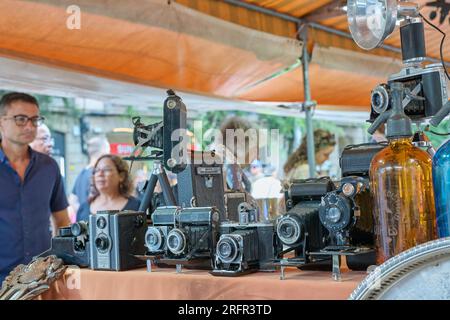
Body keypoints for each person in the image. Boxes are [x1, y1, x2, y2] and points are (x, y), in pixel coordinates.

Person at [0, 92, 70, 282]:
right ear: (1, 122)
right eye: (21, 119)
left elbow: (62, 221)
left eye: (35, 119)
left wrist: (60, 262)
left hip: (40, 278)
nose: (30, 126)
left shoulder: (49, 167)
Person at [76, 154, 140, 221]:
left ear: (121, 176)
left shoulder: (136, 207)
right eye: (97, 170)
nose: (100, 174)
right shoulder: (83, 209)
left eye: (106, 169)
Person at [68, 136, 110, 216]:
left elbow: (72, 199)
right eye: (108, 149)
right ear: (103, 151)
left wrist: (83, 215)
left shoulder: (82, 173)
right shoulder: (99, 175)